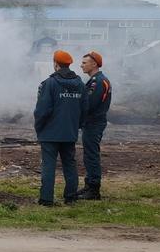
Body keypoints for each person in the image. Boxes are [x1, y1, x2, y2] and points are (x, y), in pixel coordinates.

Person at [34, 50, 86, 206]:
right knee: (70, 164)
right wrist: (76, 126)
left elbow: (42, 110)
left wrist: (39, 127)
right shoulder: (80, 84)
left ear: (55, 64)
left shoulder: (49, 83)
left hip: (49, 133)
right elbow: (85, 109)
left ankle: (46, 199)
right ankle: (71, 197)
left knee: (48, 166)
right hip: (70, 132)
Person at [77, 51, 112, 200]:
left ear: (94, 64)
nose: (81, 65)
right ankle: (89, 185)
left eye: (84, 63)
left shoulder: (98, 82)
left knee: (91, 155)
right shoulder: (95, 80)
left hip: (94, 123)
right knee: (89, 154)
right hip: (91, 122)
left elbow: (89, 104)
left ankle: (93, 189)